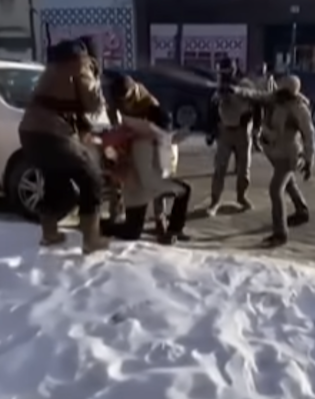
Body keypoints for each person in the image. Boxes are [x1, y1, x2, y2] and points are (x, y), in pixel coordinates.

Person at [17, 39, 109, 253]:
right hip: (52, 132)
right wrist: (97, 80)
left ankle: (50, 234)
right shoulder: (81, 64)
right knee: (92, 177)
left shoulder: (55, 66)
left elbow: (64, 102)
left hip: (29, 132)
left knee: (58, 184)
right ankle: (91, 239)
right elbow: (92, 103)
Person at [100, 75, 193, 244]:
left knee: (172, 188)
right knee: (131, 231)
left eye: (126, 99)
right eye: (120, 101)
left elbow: (164, 149)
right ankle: (99, 224)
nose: (124, 104)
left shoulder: (149, 106)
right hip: (136, 177)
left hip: (145, 170)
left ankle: (167, 226)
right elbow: (115, 131)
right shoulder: (120, 107)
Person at [258, 74, 315, 247]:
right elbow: (257, 96)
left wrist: (309, 160)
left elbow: (309, 135)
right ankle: (301, 211)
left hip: (289, 155)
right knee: (289, 183)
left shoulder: (299, 108)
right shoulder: (276, 102)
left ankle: (280, 233)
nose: (278, 91)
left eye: (282, 89)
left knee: (275, 190)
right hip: (276, 152)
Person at [204, 57, 260, 215]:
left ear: (234, 69)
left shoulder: (245, 85)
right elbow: (212, 109)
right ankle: (215, 201)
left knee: (243, 169)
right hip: (225, 132)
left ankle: (241, 197)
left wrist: (256, 129)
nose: (224, 74)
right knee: (219, 168)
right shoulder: (218, 86)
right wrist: (210, 131)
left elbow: (257, 105)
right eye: (221, 72)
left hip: (243, 131)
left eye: (227, 71)